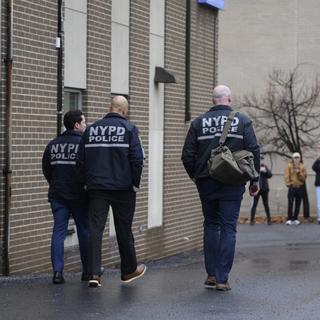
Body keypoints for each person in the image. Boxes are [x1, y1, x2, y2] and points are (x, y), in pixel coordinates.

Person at [181, 85, 260, 291]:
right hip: (233, 183)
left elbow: (187, 156)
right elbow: (253, 150)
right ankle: (223, 279)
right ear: (229, 100)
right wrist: (254, 180)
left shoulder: (198, 123)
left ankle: (211, 274)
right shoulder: (242, 120)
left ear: (213, 100)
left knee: (210, 225)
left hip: (206, 181)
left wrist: (197, 176)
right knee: (228, 227)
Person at [77, 95, 146, 288]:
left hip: (97, 188)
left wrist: (86, 182)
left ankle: (93, 273)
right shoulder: (130, 129)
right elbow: (138, 159)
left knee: (95, 229)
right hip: (123, 188)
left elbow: (80, 161)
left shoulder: (90, 130)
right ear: (125, 110)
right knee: (124, 229)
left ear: (110, 107)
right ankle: (128, 271)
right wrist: (134, 183)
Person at [42, 110, 89, 284]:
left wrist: (56, 185)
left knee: (58, 232)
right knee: (84, 231)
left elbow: (47, 170)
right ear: (76, 125)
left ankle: (57, 273)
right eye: (84, 122)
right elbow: (88, 170)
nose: (86, 125)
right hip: (80, 196)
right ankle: (87, 272)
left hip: (58, 195)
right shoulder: (84, 145)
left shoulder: (53, 144)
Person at [284, 152, 307, 225]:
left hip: (300, 187)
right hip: (292, 187)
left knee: (298, 203)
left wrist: (299, 173)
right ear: (293, 159)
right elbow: (286, 176)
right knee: (290, 203)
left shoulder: (302, 166)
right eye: (295, 157)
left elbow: (304, 178)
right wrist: (288, 184)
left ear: (300, 159)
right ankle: (289, 218)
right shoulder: (289, 166)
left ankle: (295, 218)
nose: (296, 159)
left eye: (298, 157)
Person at [250, 157, 272, 225]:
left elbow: (270, 175)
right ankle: (252, 220)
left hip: (264, 189)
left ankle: (269, 220)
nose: (260, 161)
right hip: (256, 188)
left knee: (266, 205)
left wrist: (265, 171)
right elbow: (251, 176)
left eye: (261, 159)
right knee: (254, 204)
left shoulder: (264, 166)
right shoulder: (254, 167)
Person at [312, 154, 320, 224]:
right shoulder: (318, 163)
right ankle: (319, 218)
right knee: (319, 203)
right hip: (319, 185)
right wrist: (317, 159)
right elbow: (313, 167)